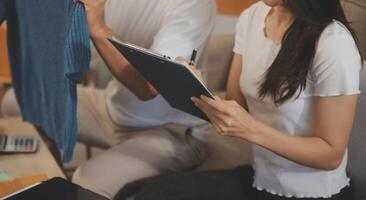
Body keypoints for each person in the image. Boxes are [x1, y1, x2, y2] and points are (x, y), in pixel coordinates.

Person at [133, 0, 363, 200]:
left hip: (313, 192)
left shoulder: (334, 43)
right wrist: (191, 84)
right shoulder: (252, 17)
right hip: (261, 179)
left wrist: (252, 129)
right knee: (154, 192)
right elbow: (236, 105)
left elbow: (331, 154)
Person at [1, 0, 216, 199]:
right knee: (15, 101)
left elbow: (148, 89)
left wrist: (97, 26)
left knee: (86, 181)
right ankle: (51, 176)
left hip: (173, 130)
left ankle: (63, 187)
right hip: (112, 107)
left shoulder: (192, 5)